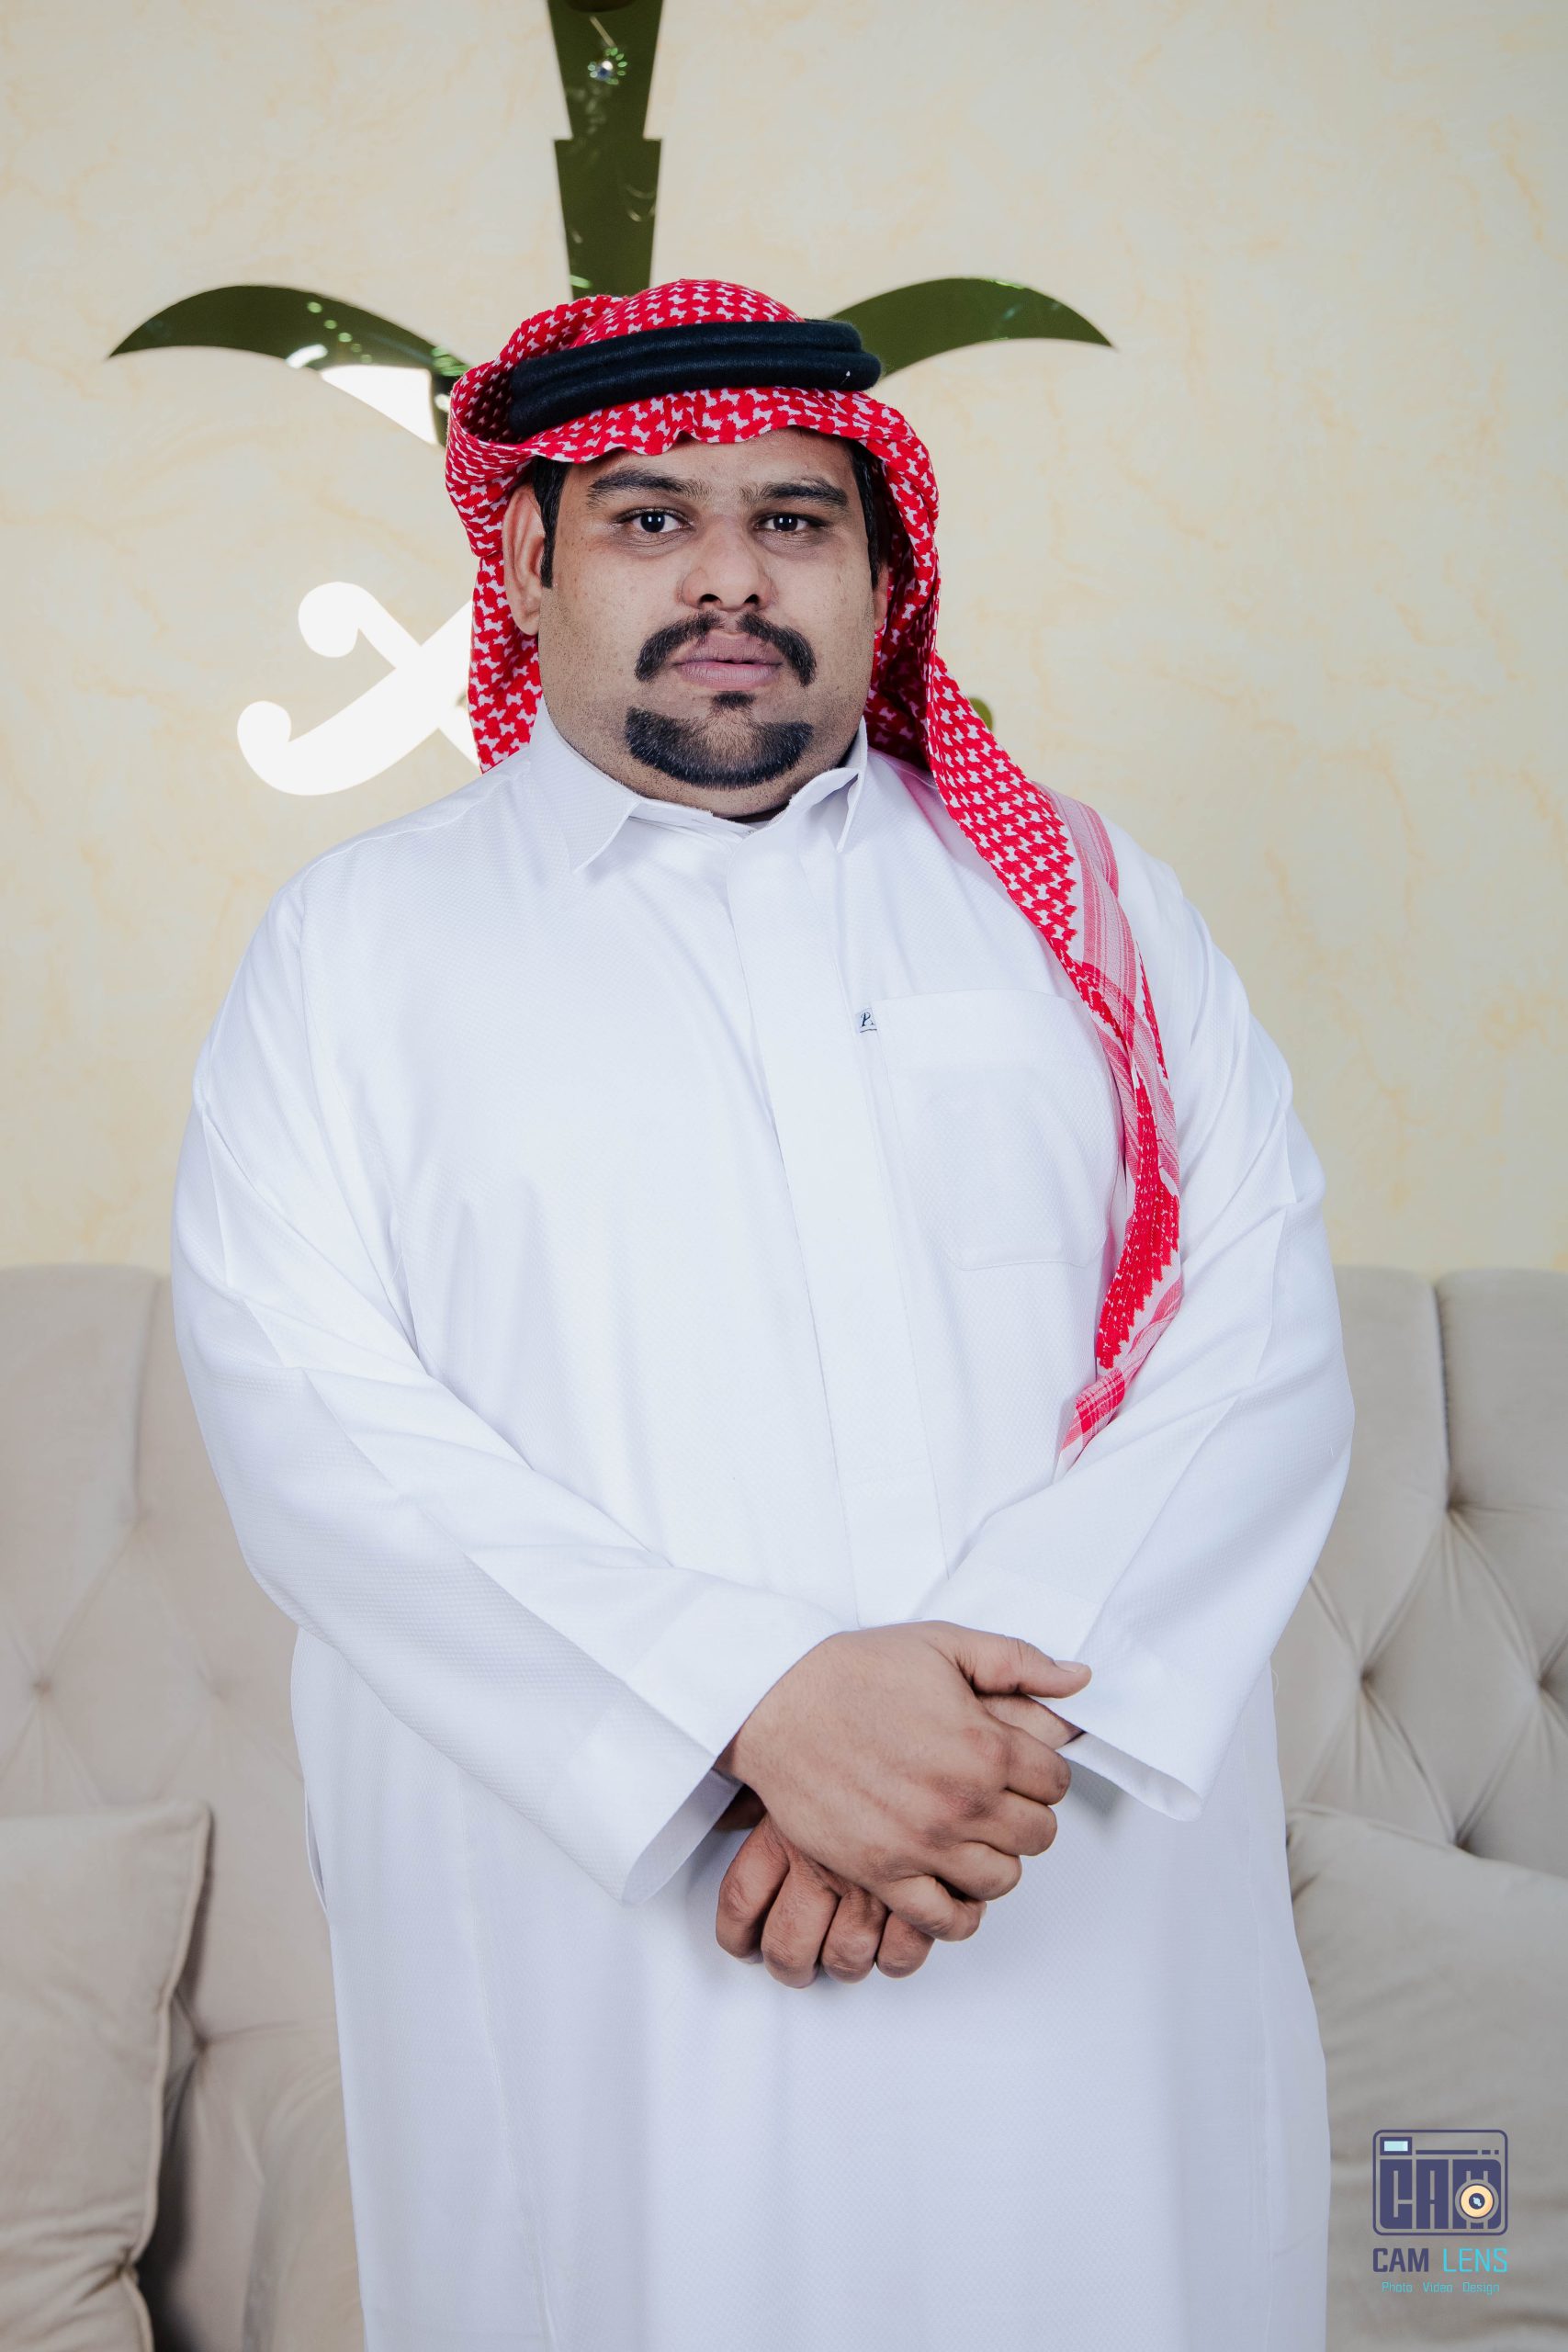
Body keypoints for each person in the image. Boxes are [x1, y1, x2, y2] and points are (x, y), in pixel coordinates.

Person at [169, 277, 1356, 2352]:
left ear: (880, 572)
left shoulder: (1083, 906)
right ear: (524, 560)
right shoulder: (353, 951)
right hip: (616, 1913)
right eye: (651, 519)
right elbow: (318, 1422)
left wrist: (961, 1745)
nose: (728, 577)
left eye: (793, 521)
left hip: (1052, 1865)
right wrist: (747, 1707)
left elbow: (1251, 1327)